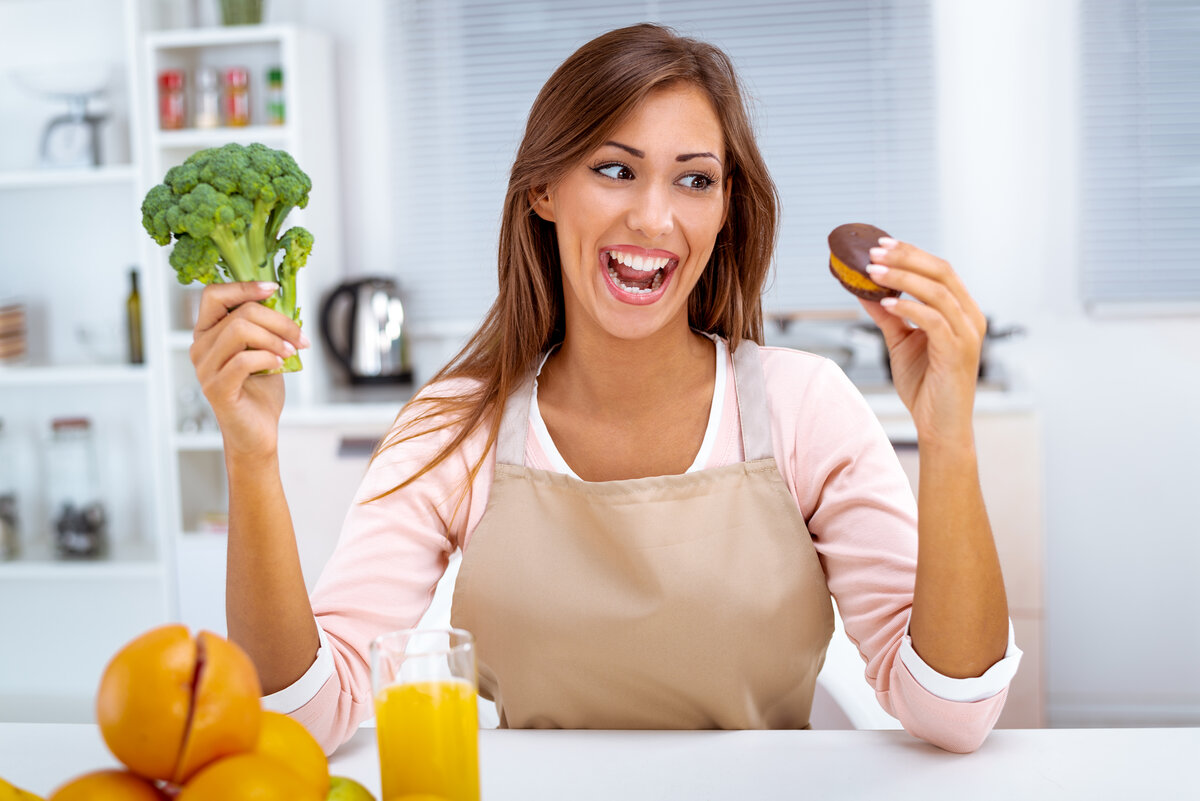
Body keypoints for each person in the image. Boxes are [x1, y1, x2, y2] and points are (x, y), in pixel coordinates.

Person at [189, 23, 1020, 755]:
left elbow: (954, 712)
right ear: (544, 191)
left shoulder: (806, 406)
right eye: (616, 169)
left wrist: (949, 434)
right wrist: (250, 453)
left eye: (695, 180)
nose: (655, 219)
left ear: (727, 208)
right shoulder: (456, 425)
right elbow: (304, 713)